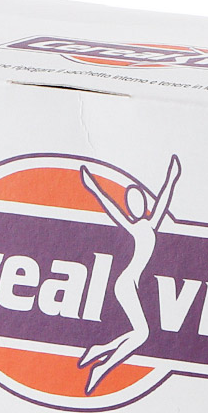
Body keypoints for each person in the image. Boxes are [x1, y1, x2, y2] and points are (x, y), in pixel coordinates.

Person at [78, 155, 180, 394]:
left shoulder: (151, 224)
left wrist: (172, 178)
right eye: (131, 202)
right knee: (142, 334)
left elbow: (163, 201)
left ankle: (100, 352)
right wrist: (94, 187)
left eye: (139, 200)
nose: (136, 205)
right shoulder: (133, 227)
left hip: (132, 284)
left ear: (144, 203)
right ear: (129, 208)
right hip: (125, 283)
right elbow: (111, 207)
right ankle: (102, 366)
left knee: (140, 333)